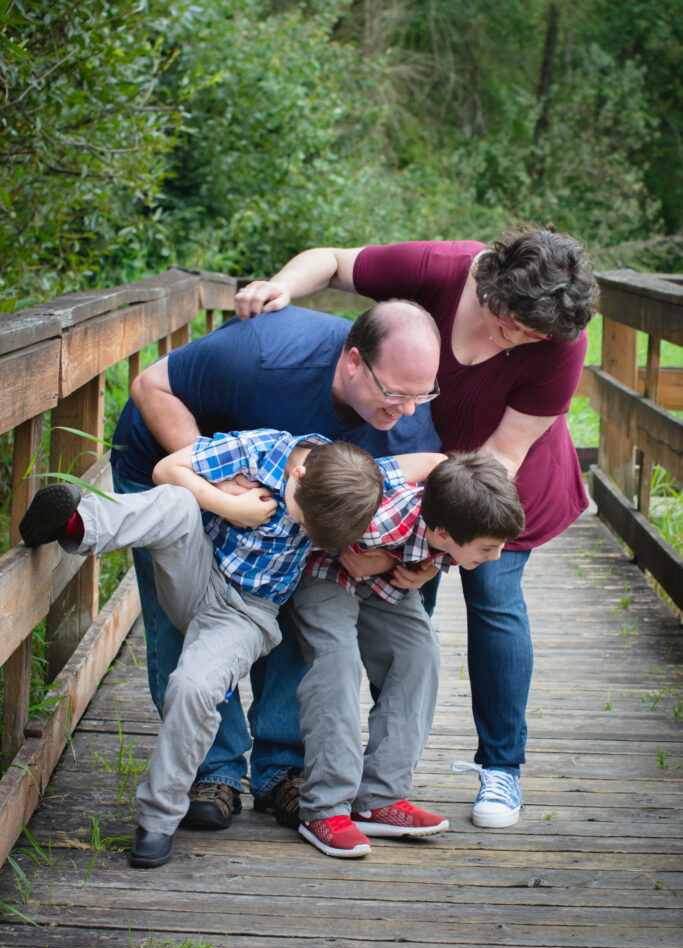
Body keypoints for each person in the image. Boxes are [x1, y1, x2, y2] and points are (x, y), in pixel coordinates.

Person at [234, 225, 600, 828]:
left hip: (495, 491)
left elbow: (502, 459)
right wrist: (280, 286)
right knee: (403, 615)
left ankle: (501, 768)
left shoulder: (559, 342)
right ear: (494, 285)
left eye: (537, 336)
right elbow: (331, 262)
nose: (522, 341)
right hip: (405, 478)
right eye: (514, 325)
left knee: (495, 598)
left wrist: (441, 553)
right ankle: (375, 780)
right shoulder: (441, 267)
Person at [110, 300, 442, 830]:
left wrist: (425, 567)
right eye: (396, 393)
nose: (408, 409)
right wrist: (215, 487)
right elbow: (152, 386)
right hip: (177, 464)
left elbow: (440, 492)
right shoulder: (265, 354)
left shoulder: (406, 426)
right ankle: (211, 769)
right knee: (184, 627)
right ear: (354, 362)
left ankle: (279, 767)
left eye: (423, 394)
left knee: (289, 606)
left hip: (294, 513)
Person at [19, 427, 410, 867]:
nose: (302, 530)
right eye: (302, 519)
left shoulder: (354, 487)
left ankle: (157, 820)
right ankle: (77, 522)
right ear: (297, 474)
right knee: (176, 501)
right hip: (197, 570)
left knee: (191, 686)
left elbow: (424, 471)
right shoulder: (260, 451)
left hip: (246, 616)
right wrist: (228, 504)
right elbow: (167, 469)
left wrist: (419, 563)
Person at [294, 449, 525, 858]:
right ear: (441, 533)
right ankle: (325, 807)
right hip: (326, 570)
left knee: (420, 654)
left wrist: (431, 567)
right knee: (338, 664)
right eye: (488, 548)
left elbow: (445, 469)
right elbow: (316, 512)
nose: (496, 556)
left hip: (384, 579)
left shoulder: (449, 516)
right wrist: (373, 554)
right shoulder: (380, 519)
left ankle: (378, 798)